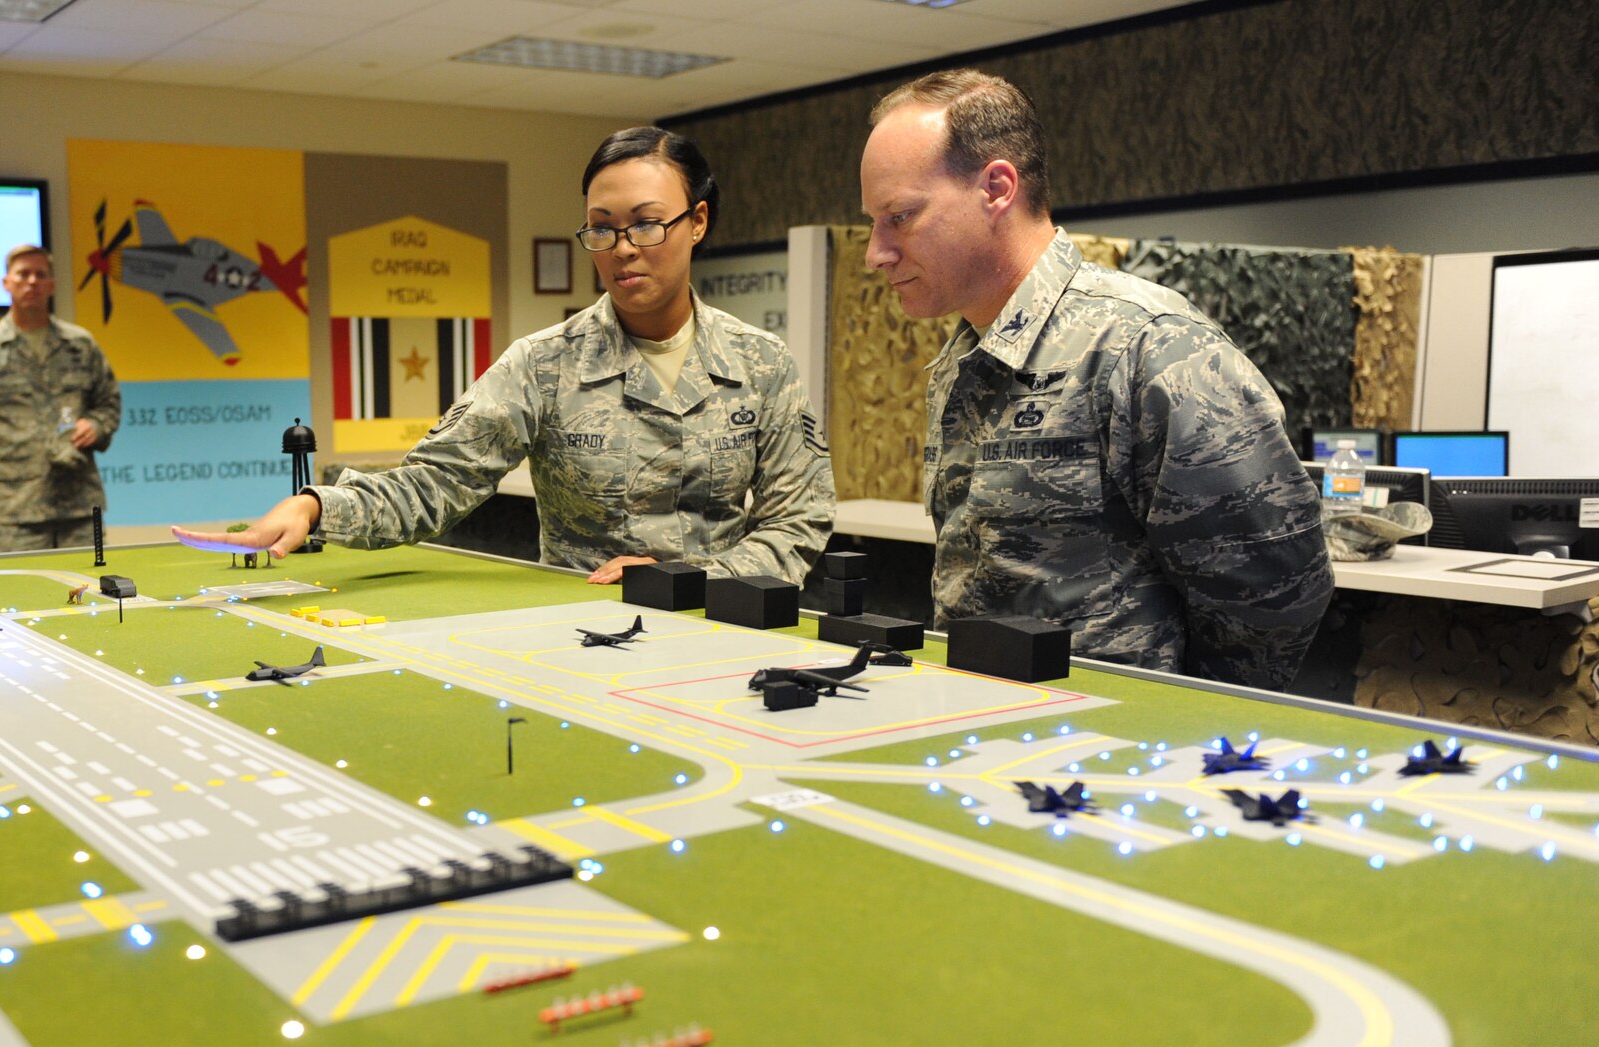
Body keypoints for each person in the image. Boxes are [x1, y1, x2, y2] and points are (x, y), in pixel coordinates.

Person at [174, 127, 834, 586]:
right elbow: (432, 485)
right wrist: (318, 505)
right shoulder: (544, 364)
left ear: (698, 221)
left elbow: (798, 519)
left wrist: (693, 580)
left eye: (646, 222)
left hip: (722, 630)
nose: (624, 246)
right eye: (602, 226)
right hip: (584, 632)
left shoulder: (760, 363)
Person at [861, 70, 1332, 691]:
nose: (875, 252)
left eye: (899, 216)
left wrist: (1180, 715)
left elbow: (1276, 584)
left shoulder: (1145, 345)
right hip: (983, 723)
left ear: (997, 188)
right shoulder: (965, 357)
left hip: (1110, 745)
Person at [0, 244, 121, 551]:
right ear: (6, 283)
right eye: (23, 274)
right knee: (16, 596)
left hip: (78, 507)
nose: (32, 281)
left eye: (40, 274)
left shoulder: (79, 345)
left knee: (87, 592)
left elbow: (108, 402)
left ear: (52, 285)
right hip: (12, 511)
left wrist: (96, 425)